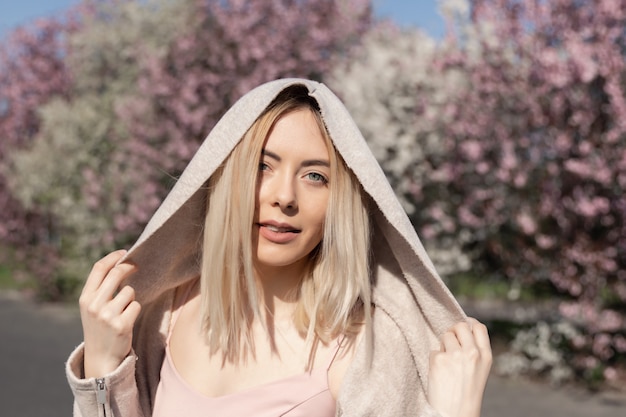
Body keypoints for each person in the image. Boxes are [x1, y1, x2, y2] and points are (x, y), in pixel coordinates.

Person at [66, 79, 492, 417]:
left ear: (340, 203)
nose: (284, 196)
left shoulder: (363, 347)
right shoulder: (163, 317)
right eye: (261, 167)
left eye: (315, 177)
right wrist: (103, 369)